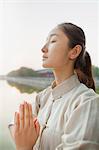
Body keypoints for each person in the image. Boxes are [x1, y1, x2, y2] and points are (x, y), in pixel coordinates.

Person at [9, 22, 99, 150]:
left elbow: (23, 140)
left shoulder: (86, 102)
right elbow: (15, 127)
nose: (43, 48)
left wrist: (24, 147)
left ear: (74, 52)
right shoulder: (42, 97)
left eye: (53, 41)